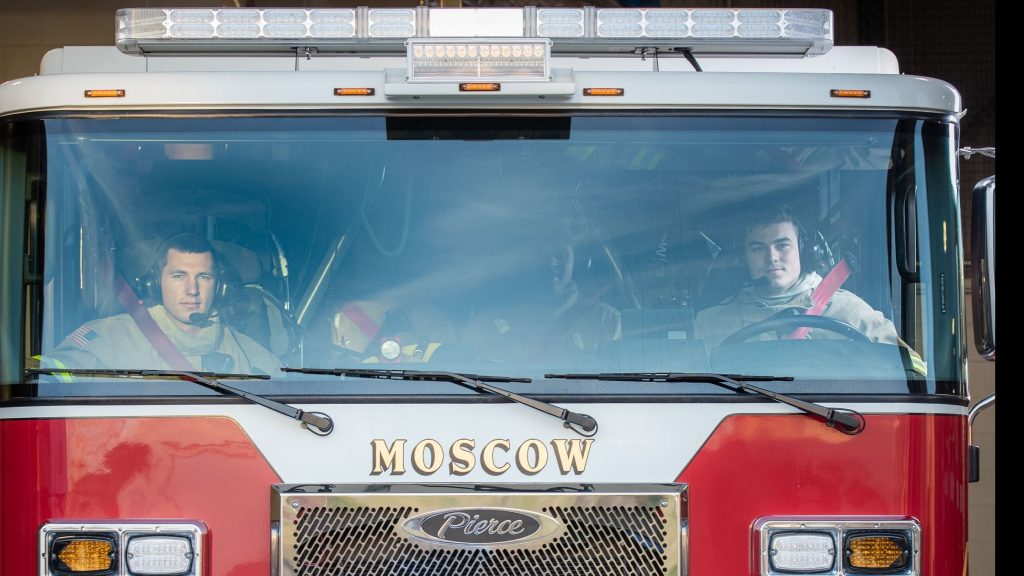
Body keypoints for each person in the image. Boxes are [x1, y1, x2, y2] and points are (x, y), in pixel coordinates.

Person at [47, 233, 281, 374]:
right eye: (179, 276)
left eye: (204, 277)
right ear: (156, 284)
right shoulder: (108, 338)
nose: (192, 290)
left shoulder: (246, 350)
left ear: (219, 287)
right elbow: (43, 380)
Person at [693, 205, 899, 350]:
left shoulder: (849, 312)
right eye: (758, 249)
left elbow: (909, 373)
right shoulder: (711, 323)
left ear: (804, 251)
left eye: (782, 245)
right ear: (744, 258)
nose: (772, 257)